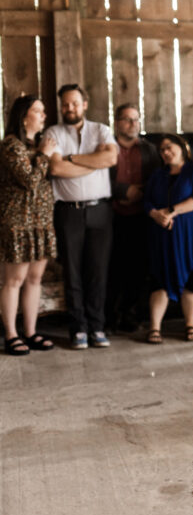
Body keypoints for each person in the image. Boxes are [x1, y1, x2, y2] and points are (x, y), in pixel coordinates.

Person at [45, 84, 118, 350]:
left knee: (97, 272)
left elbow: (110, 159)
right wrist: (92, 161)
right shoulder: (53, 132)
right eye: (65, 104)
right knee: (72, 273)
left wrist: (73, 158)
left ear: (84, 104)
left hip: (100, 210)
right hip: (67, 211)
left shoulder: (101, 130)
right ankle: (78, 330)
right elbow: (55, 167)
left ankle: (97, 327)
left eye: (74, 103)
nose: (69, 108)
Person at [0, 95, 57, 355]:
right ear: (24, 116)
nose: (43, 116)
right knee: (15, 280)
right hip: (18, 222)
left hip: (41, 222)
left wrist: (44, 154)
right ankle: (11, 334)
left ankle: (31, 331)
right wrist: (44, 156)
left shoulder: (37, 145)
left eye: (43, 111)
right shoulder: (12, 146)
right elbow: (30, 181)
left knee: (35, 279)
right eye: (38, 111)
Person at [144, 134, 193, 343]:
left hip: (192, 236)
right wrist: (157, 215)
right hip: (163, 236)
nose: (165, 152)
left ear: (182, 147)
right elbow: (147, 201)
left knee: (192, 281)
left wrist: (171, 211)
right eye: (161, 150)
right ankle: (154, 328)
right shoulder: (157, 174)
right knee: (160, 281)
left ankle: (190, 324)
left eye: (168, 147)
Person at [107, 103, 160, 333]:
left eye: (136, 119)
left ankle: (130, 314)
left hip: (141, 215)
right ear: (117, 122)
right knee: (111, 268)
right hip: (112, 215)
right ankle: (108, 317)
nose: (133, 124)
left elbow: (158, 179)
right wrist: (122, 191)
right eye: (127, 119)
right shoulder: (106, 147)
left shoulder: (149, 149)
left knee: (137, 268)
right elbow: (96, 178)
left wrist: (139, 191)